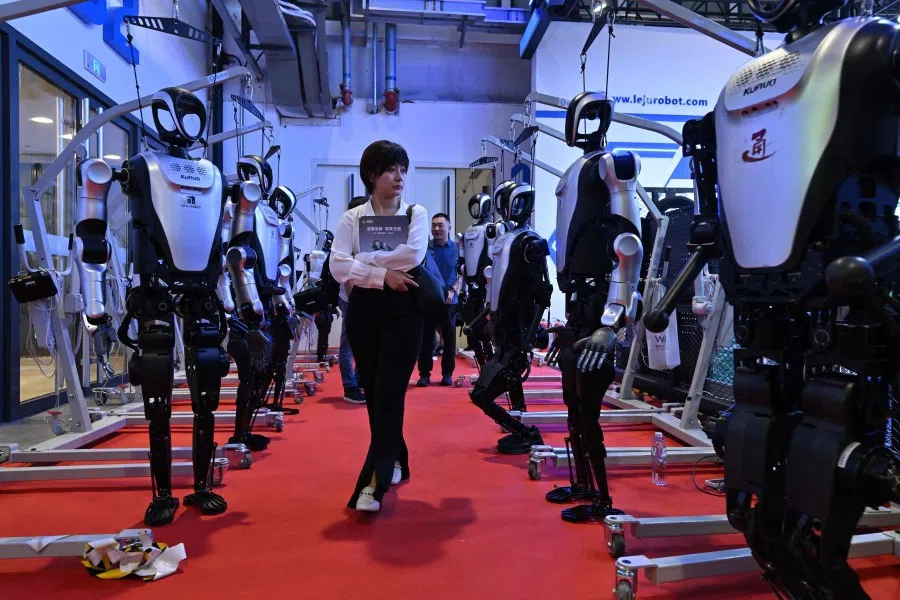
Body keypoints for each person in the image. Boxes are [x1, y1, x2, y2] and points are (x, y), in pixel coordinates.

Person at [330, 140, 428, 513]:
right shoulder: (351, 219)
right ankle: (398, 457)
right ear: (372, 175)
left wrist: (364, 262)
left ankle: (373, 485)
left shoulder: (415, 213)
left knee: (389, 393)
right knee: (376, 394)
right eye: (391, 170)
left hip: (406, 311)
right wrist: (383, 275)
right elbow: (337, 267)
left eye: (403, 169)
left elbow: (412, 254)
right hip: (365, 312)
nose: (399, 177)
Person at [417, 213, 460, 387]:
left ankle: (447, 374)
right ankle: (424, 374)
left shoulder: (458, 248)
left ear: (449, 227)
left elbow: (461, 271)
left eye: (440, 225)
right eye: (433, 225)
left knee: (449, 338)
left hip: (450, 300)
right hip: (429, 300)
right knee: (426, 338)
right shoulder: (425, 249)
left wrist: (453, 290)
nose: (436, 229)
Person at [338, 195, 370, 404]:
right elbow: (346, 275)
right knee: (348, 345)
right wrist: (356, 302)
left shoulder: (366, 234)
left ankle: (359, 380)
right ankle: (350, 386)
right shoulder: (346, 237)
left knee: (365, 343)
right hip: (351, 298)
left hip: (368, 296)